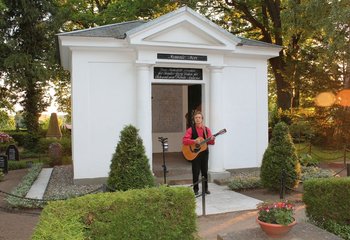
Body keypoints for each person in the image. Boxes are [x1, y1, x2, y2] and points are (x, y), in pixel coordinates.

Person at [182, 111, 215, 195]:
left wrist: (212, 139)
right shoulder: (190, 129)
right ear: (194, 119)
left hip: (204, 153)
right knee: (195, 172)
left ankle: (205, 189)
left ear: (202, 119)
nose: (197, 119)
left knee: (205, 171)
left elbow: (210, 143)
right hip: (194, 153)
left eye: (199, 117)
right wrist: (193, 141)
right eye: (196, 117)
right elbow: (185, 141)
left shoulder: (206, 130)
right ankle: (195, 190)